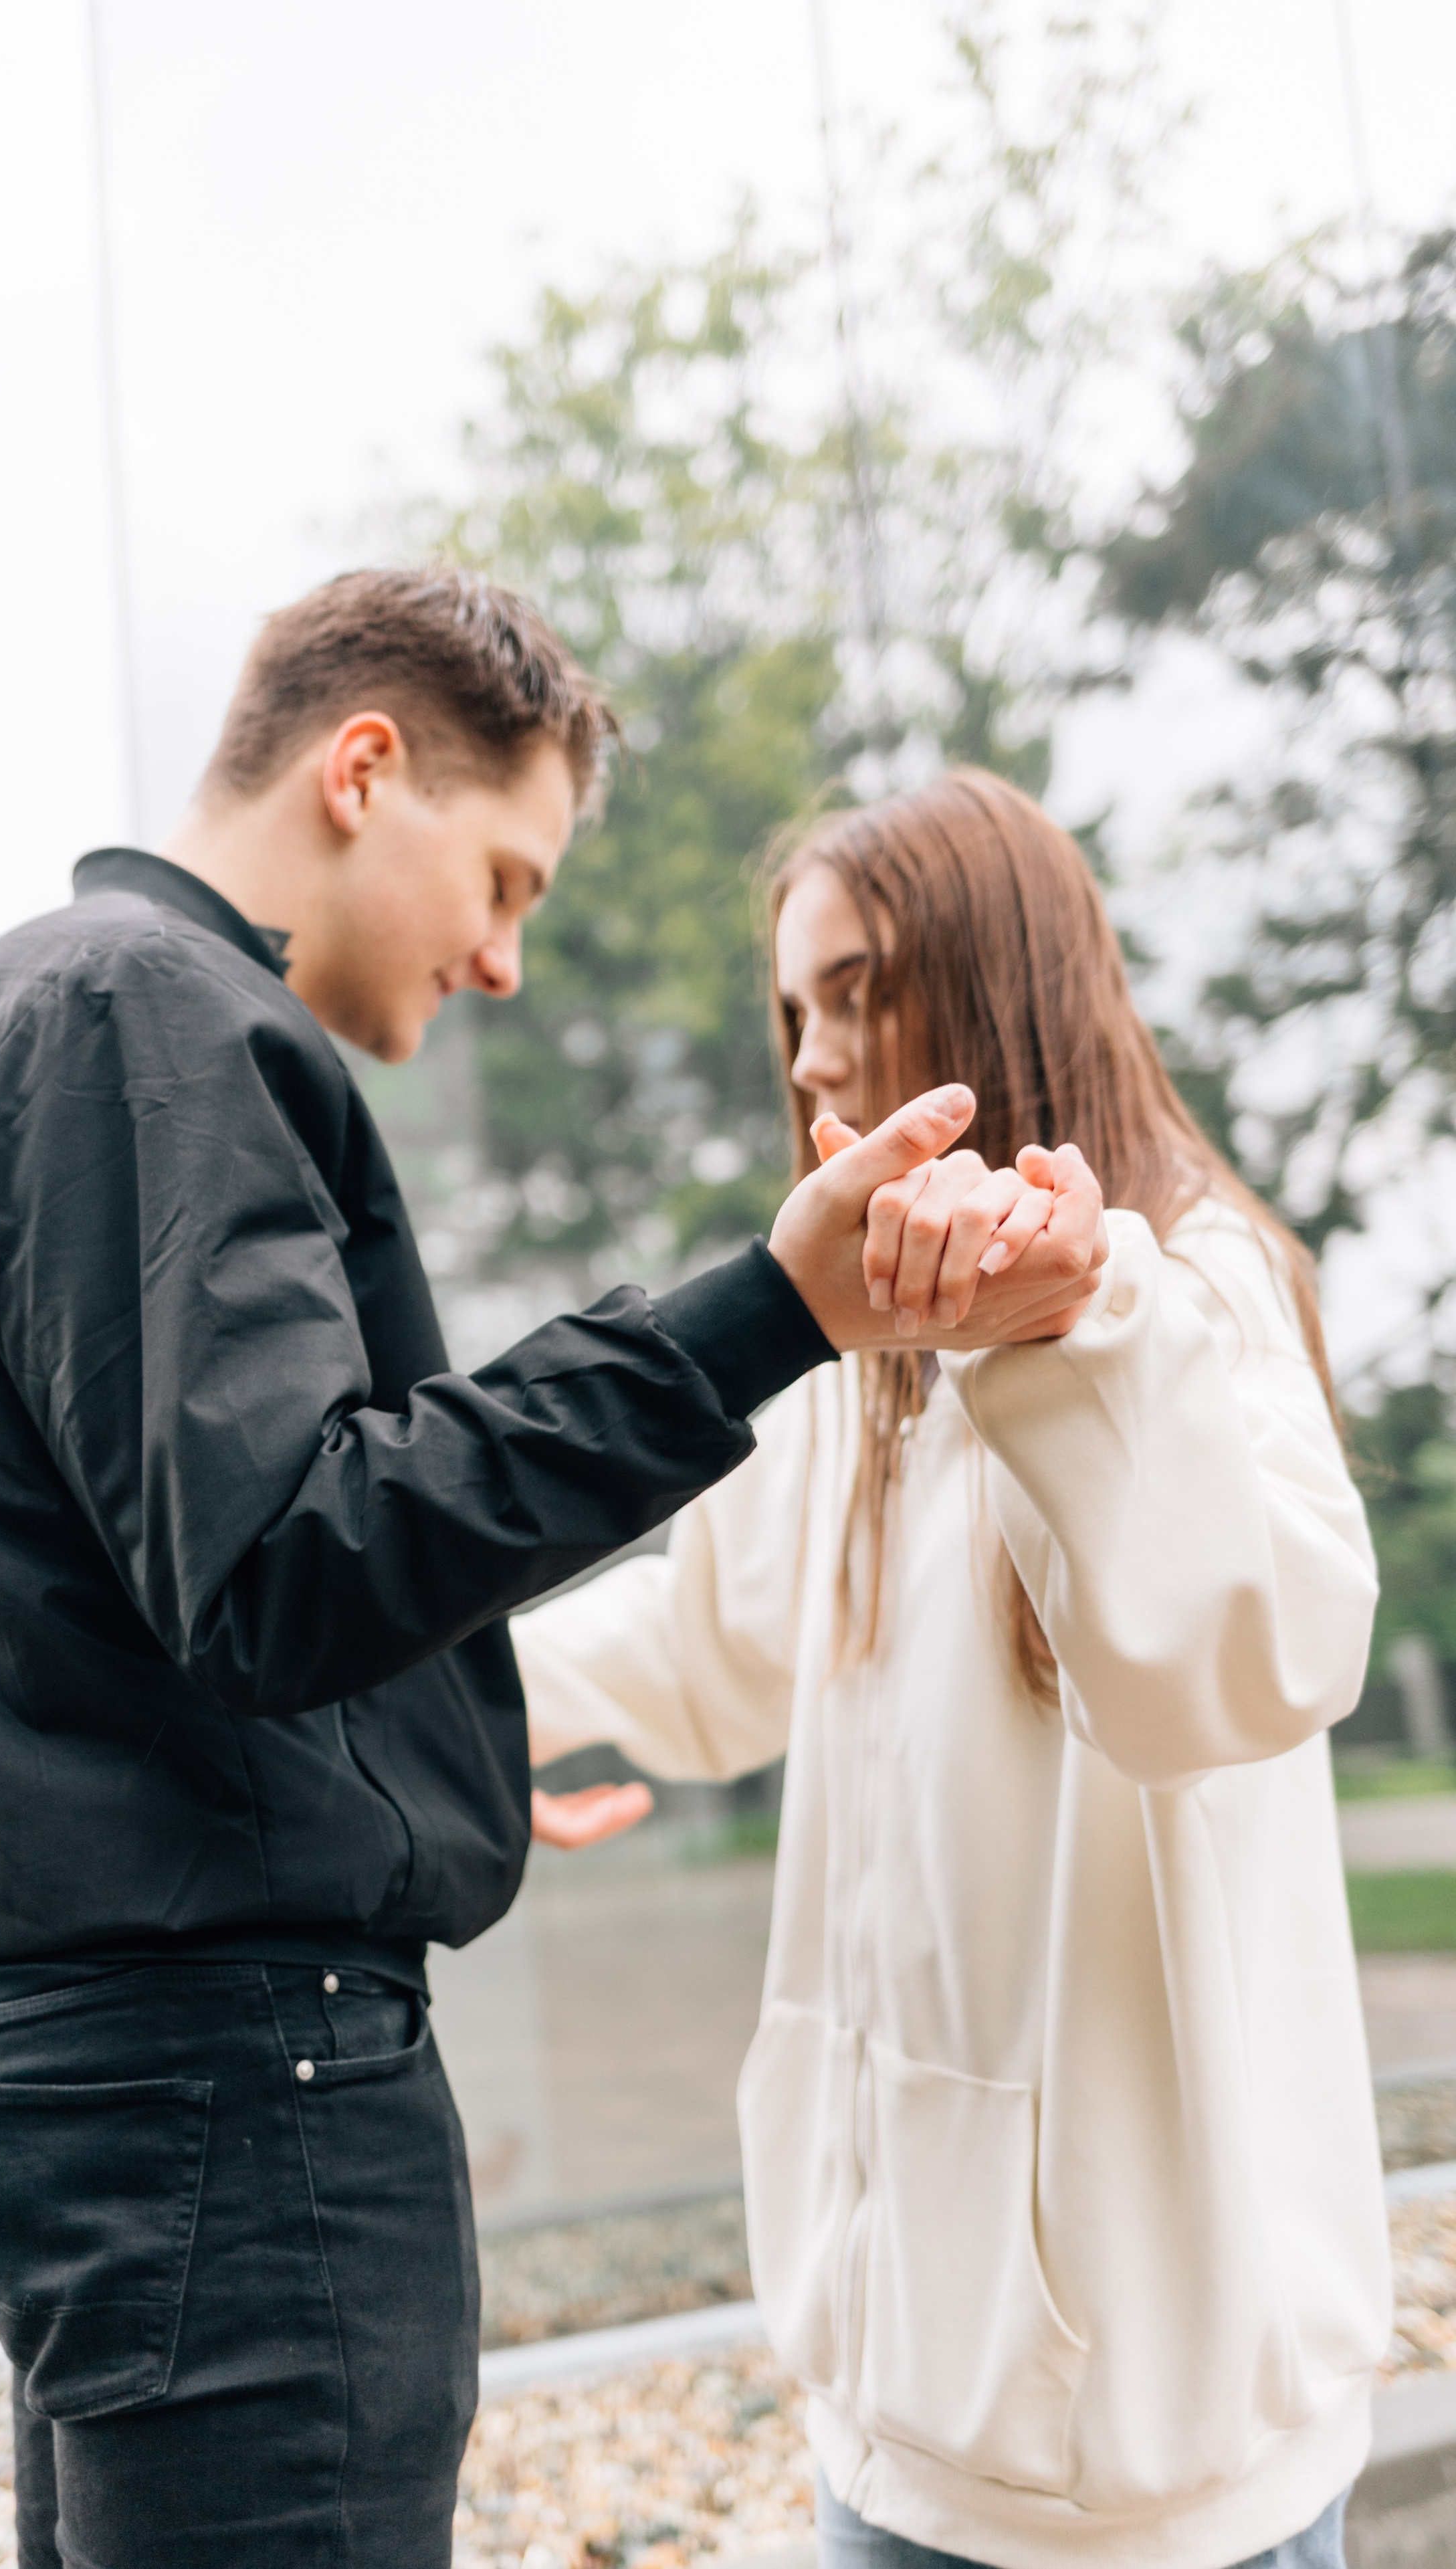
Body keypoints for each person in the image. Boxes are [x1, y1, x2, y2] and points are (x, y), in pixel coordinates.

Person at [0, 577, 1105, 2569]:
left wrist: (423, 1768)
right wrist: (771, 1308)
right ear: (366, 770)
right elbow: (283, 1555)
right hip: (232, 2107)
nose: (504, 962)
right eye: (505, 876)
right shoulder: (143, 1011)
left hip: (130, 2089)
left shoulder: (43, 1023)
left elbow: (147, 1604)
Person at [514, 770, 1388, 2569]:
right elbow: (720, 1639)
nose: (818, 1060)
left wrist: (1079, 1334)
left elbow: (1253, 1653)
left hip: (1156, 2485)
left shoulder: (1191, 1286)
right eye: (795, 1010)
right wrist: (439, 1706)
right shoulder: (866, 1357)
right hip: (900, 2407)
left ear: (1001, 987)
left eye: (857, 989)